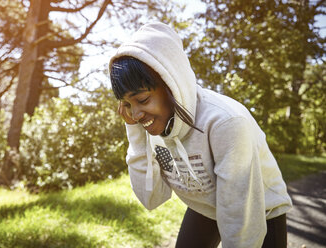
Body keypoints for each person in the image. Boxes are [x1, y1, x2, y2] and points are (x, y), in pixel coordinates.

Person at [108, 22, 292, 248]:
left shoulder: (224, 123)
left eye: (143, 100)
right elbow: (153, 197)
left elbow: (238, 216)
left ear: (170, 84)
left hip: (260, 207)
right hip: (205, 207)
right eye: (126, 104)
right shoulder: (156, 131)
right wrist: (135, 133)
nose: (135, 114)